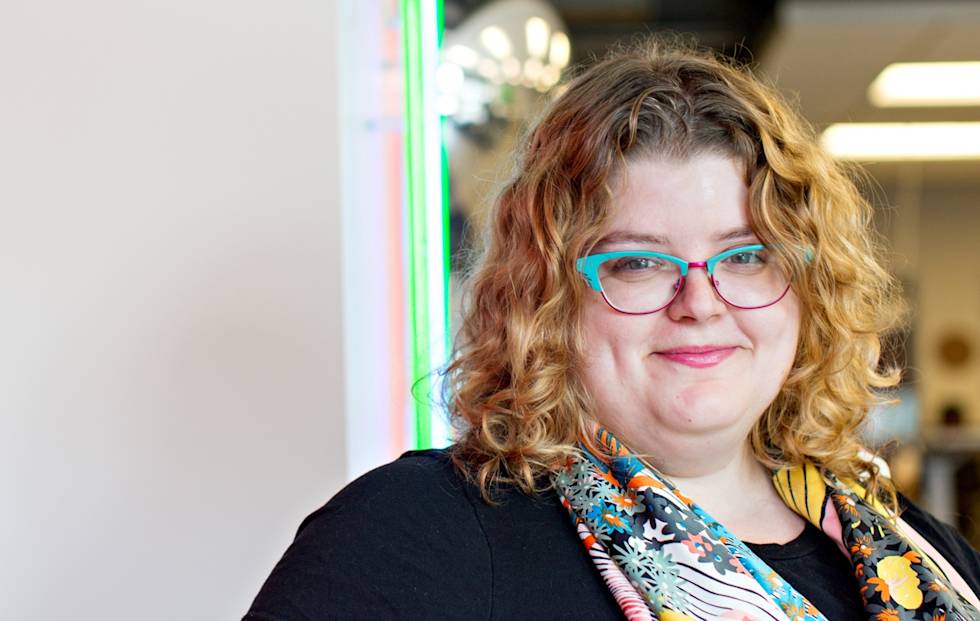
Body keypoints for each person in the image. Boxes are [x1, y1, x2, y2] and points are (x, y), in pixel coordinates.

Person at [244, 37, 980, 620]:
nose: (701, 301)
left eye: (748, 255)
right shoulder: (421, 535)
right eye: (637, 263)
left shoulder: (907, 546)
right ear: (548, 300)